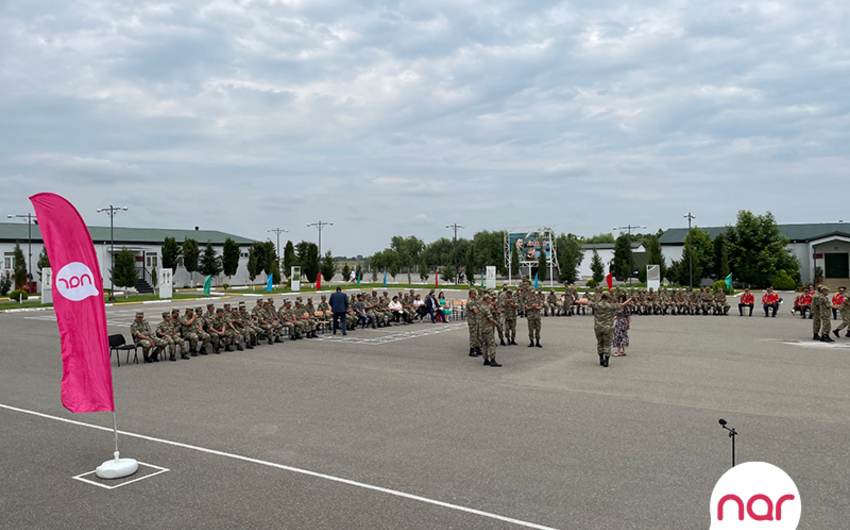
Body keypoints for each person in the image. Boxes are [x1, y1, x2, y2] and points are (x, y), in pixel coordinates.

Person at [589, 293, 634, 367]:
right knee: (607, 344)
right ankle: (606, 360)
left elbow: (586, 302)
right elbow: (622, 305)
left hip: (598, 327)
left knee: (600, 343)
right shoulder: (611, 306)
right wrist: (631, 299)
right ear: (608, 298)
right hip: (607, 327)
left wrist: (576, 300)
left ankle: (601, 358)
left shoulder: (596, 305)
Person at [478, 294, 501, 367]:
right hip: (488, 328)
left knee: (485, 344)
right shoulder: (486, 308)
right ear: (486, 299)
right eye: (489, 299)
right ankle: (492, 360)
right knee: (491, 344)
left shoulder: (481, 307)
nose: (490, 300)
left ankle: (485, 359)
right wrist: (495, 322)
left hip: (482, 328)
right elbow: (490, 318)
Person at [467, 290, 481, 357]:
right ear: (470, 294)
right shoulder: (470, 301)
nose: (475, 295)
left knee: (478, 335)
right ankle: (472, 350)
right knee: (473, 336)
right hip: (472, 321)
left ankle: (478, 348)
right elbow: (475, 311)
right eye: (474, 293)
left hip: (476, 320)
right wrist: (481, 309)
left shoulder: (475, 301)